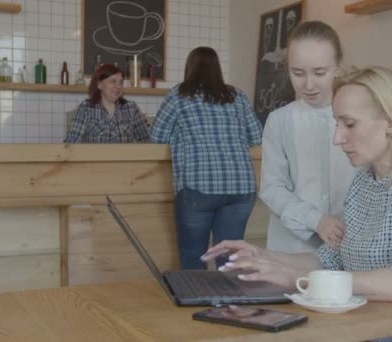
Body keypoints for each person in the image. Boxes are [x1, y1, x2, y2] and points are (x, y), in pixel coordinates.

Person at [203, 66, 392, 341]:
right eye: (337, 124)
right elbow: (333, 260)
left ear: (390, 122)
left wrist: (297, 280)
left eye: (350, 124)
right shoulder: (362, 183)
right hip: (371, 332)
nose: (337, 138)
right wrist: (262, 257)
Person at [151, 46, 262, 270]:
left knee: (194, 257)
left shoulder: (178, 95)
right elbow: (257, 136)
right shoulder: (237, 96)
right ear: (217, 69)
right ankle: (230, 304)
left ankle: (198, 303)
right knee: (229, 260)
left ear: (189, 69)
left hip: (198, 187)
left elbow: (156, 137)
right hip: (241, 187)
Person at [260, 21, 355, 253]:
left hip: (352, 241)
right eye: (298, 73)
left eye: (319, 72)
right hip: (292, 246)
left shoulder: (360, 115)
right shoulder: (279, 120)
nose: (309, 84)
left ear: (338, 68)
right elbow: (272, 187)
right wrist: (316, 220)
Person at [65, 64, 150, 143]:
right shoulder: (86, 108)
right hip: (94, 159)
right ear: (99, 85)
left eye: (120, 82)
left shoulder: (131, 108)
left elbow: (147, 141)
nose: (118, 86)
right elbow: (71, 142)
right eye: (113, 81)